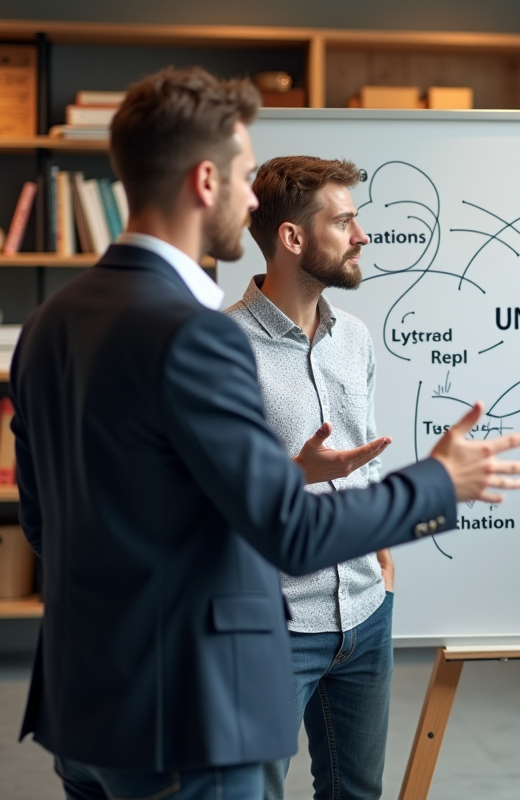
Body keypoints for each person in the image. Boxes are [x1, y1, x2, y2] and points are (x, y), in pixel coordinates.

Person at [9, 67, 520, 800]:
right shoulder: (200, 336)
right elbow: (286, 534)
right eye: (239, 175)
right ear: (204, 182)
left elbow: (45, 519)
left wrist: (279, 478)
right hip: (189, 714)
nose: (248, 197)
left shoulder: (47, 324)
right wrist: (438, 483)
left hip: (87, 703)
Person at [223, 155, 396, 800]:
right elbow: (206, 498)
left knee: (357, 793)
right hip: (271, 624)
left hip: (365, 611)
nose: (361, 236)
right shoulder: (221, 348)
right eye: (344, 221)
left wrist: (382, 563)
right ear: (293, 238)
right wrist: (295, 475)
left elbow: (365, 461)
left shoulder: (355, 338)